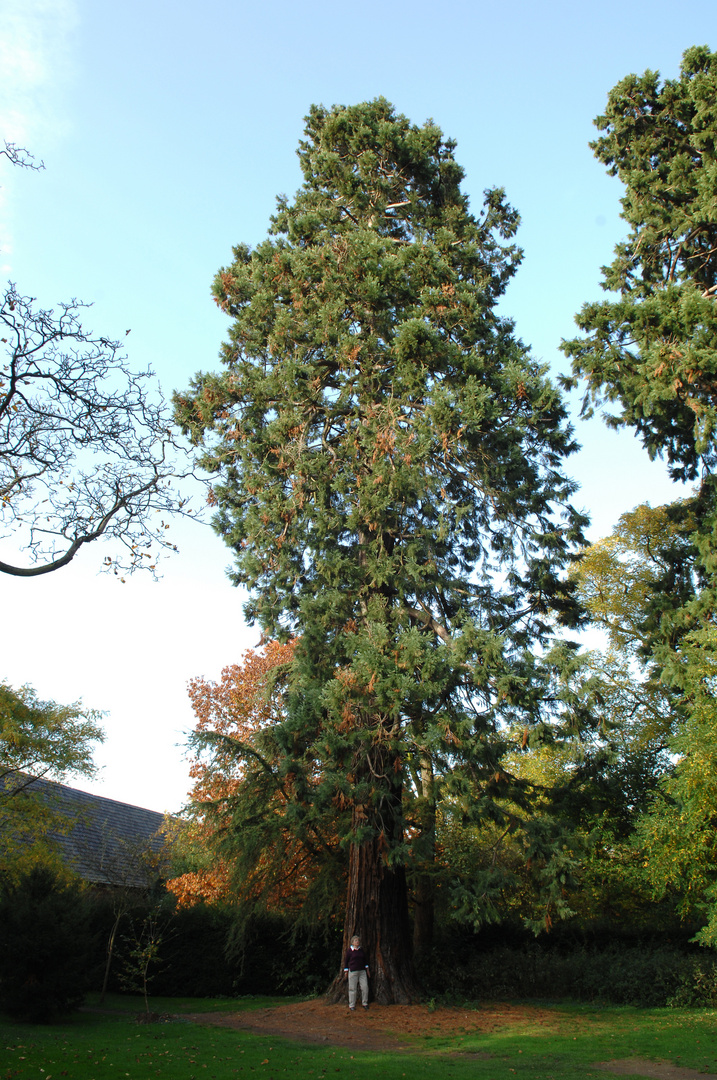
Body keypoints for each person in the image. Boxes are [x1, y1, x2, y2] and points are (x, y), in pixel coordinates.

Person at [343, 934, 370, 1010]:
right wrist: (346, 971)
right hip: (353, 971)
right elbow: (346, 961)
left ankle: (365, 1003)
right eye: (355, 940)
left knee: (365, 987)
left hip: (362, 971)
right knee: (352, 988)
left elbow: (365, 960)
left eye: (358, 940)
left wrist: (367, 969)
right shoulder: (350, 951)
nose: (357, 942)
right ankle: (352, 1005)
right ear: (352, 942)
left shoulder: (361, 950)